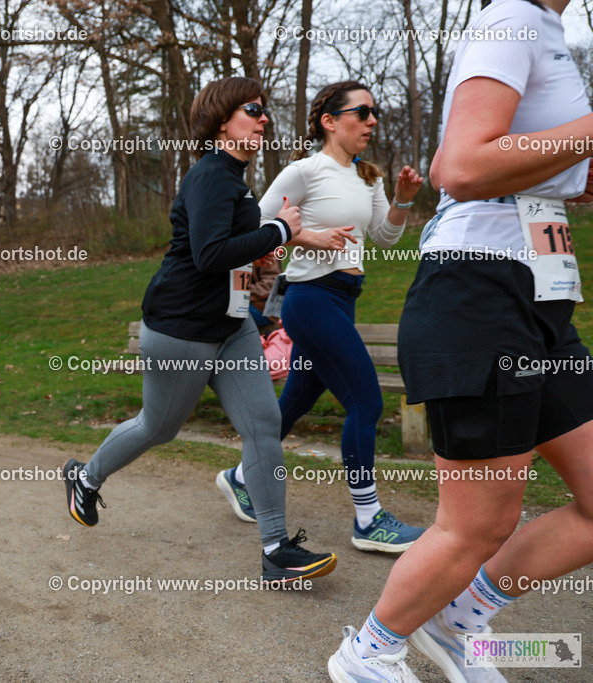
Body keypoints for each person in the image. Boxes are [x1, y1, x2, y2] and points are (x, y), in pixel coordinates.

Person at [328, 1, 593, 680]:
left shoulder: (551, 32)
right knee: (478, 523)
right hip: (479, 296)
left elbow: (491, 160)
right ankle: (368, 653)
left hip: (544, 301)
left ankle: (460, 620)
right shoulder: (509, 16)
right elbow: (463, 166)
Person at [62, 76, 336, 584]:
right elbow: (209, 255)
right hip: (181, 328)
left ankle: (276, 550)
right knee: (158, 427)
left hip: (231, 327)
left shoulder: (234, 179)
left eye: (264, 111)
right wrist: (279, 229)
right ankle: (85, 478)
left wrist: (284, 242)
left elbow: (239, 252)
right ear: (220, 120)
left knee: (262, 427)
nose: (263, 119)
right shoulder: (210, 174)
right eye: (253, 110)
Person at [216, 80, 427, 554]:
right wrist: (305, 236)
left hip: (344, 297)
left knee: (293, 404)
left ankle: (242, 476)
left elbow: (385, 237)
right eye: (362, 112)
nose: (372, 120)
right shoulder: (304, 172)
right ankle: (369, 519)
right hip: (310, 299)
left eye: (375, 113)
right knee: (366, 403)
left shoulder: (367, 176)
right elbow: (252, 228)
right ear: (330, 121)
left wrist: (402, 199)